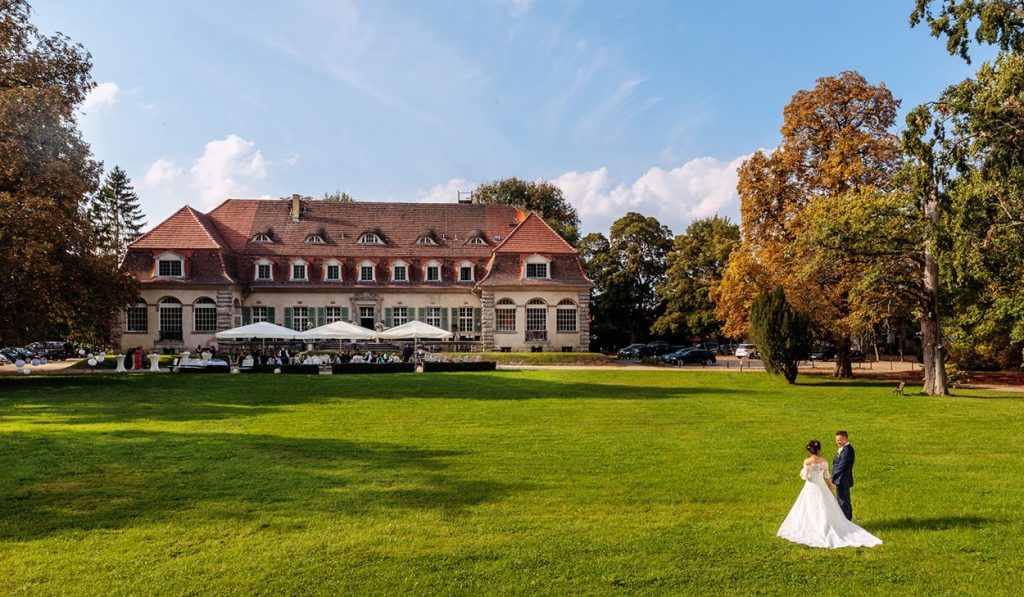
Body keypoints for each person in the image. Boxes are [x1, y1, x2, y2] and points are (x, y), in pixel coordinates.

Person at [777, 439, 881, 549]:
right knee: (825, 505)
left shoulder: (807, 462)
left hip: (811, 486)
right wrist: (831, 485)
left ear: (809, 450)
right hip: (821, 486)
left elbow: (805, 477)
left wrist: (802, 473)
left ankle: (812, 526)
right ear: (819, 449)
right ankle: (826, 524)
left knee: (808, 506)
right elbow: (827, 475)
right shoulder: (824, 461)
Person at [833, 430, 855, 520]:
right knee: (841, 501)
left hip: (843, 480)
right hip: (840, 480)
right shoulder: (843, 449)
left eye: (840, 440)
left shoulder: (847, 451)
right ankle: (845, 520)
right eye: (837, 440)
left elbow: (841, 466)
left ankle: (847, 521)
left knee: (844, 502)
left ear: (845, 438)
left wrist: (832, 478)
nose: (838, 442)